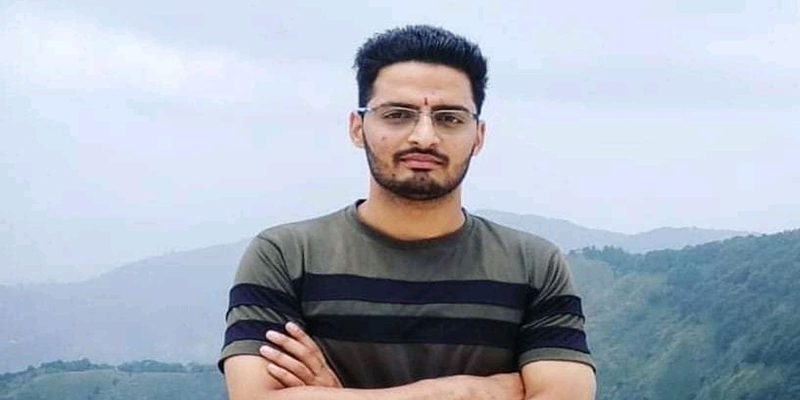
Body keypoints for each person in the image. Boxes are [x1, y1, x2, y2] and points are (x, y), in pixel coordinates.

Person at [220, 25, 596, 400]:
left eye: (450, 118)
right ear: (358, 128)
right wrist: (463, 391)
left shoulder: (531, 265)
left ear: (478, 136)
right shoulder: (288, 256)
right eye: (398, 114)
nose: (424, 137)